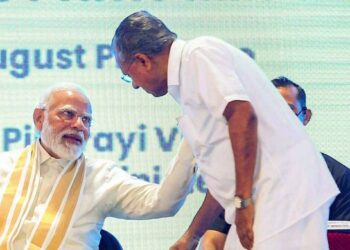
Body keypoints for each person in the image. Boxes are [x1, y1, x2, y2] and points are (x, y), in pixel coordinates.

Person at [111, 11, 339, 250]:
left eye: (128, 76)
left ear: (143, 60)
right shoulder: (186, 81)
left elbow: (242, 114)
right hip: (266, 197)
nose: (135, 85)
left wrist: (243, 202)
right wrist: (191, 236)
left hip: (282, 194)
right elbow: (223, 179)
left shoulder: (198, 54)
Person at [0, 82, 197, 249]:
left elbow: (163, 203)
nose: (79, 125)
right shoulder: (4, 165)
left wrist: (195, 135)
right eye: (68, 114)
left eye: (86, 120)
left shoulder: (102, 177)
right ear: (39, 118)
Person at [200, 76, 350, 249]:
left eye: (287, 112)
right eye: (270, 112)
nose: (278, 120)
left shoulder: (338, 176)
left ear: (306, 117)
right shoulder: (241, 173)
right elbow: (213, 239)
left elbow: (341, 241)